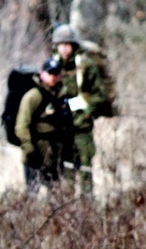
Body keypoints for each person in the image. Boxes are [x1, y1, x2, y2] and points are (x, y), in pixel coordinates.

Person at [51, 24, 107, 197]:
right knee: (65, 169)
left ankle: (87, 209)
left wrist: (86, 111)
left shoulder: (86, 66)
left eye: (68, 44)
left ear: (74, 45)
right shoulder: (53, 66)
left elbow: (99, 95)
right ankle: (67, 211)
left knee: (84, 168)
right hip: (62, 128)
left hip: (82, 128)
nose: (64, 48)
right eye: (61, 44)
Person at [14, 58, 69, 195]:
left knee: (55, 194)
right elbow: (21, 126)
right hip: (35, 153)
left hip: (55, 155)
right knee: (33, 193)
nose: (53, 77)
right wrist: (30, 150)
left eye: (56, 73)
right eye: (50, 73)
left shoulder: (63, 96)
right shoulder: (33, 96)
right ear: (42, 74)